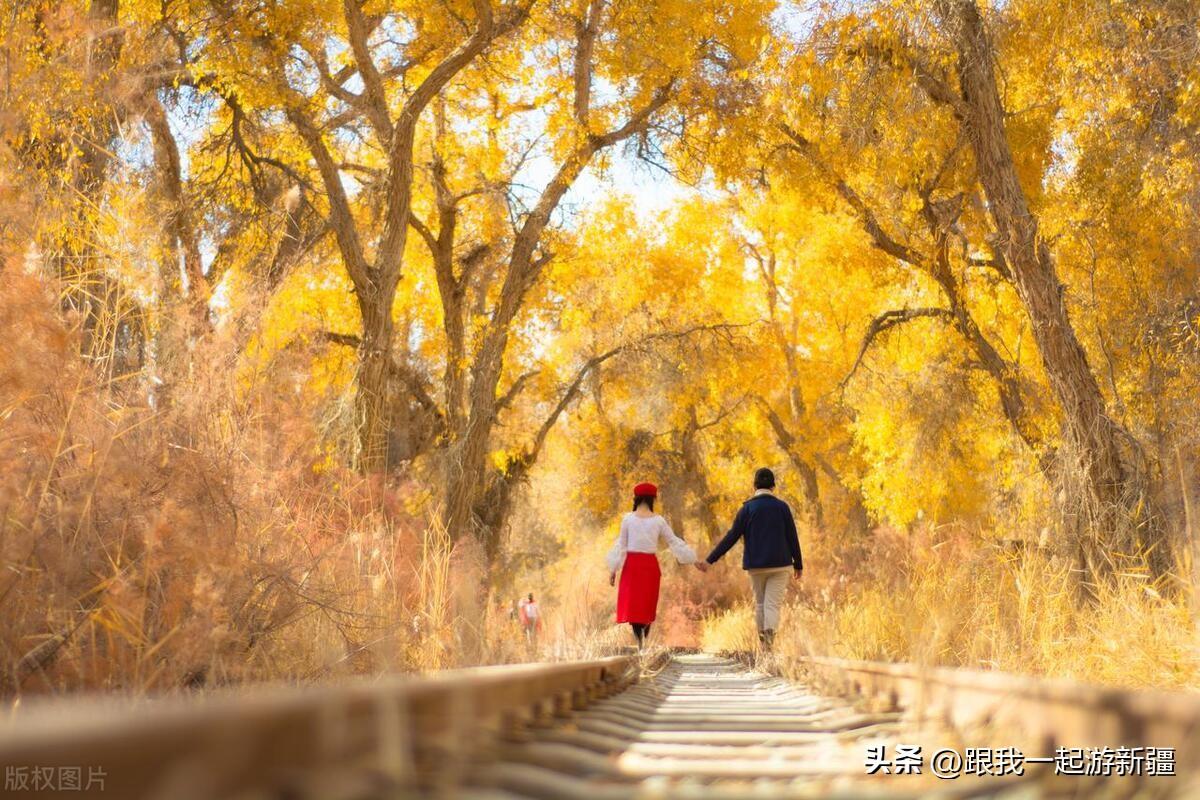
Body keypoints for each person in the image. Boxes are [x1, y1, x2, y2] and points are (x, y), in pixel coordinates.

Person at [702, 468, 803, 650]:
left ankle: (763, 644)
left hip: (756, 566)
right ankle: (769, 646)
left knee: (761, 604)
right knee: (772, 605)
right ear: (773, 486)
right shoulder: (782, 507)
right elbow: (792, 536)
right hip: (781, 565)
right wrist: (798, 564)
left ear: (754, 485)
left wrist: (710, 560)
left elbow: (731, 537)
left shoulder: (747, 509)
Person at [606, 482, 704, 649]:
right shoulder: (659, 521)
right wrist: (693, 560)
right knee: (646, 606)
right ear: (653, 499)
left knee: (634, 607)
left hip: (632, 566)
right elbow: (674, 542)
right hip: (650, 567)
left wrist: (613, 569)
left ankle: (640, 644)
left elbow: (621, 546)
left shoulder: (627, 519)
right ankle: (642, 643)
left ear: (636, 498)